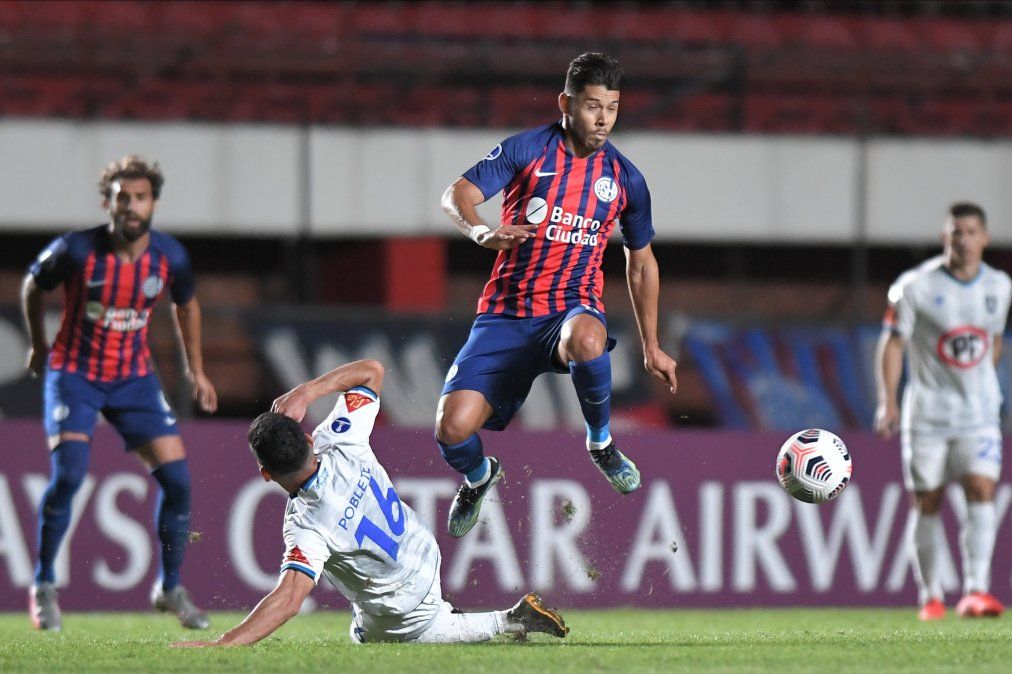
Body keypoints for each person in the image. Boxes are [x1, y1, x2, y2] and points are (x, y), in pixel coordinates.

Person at [436, 51, 678, 537]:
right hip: (505, 315)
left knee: (588, 339)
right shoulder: (527, 151)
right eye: (592, 106)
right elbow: (456, 195)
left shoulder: (626, 179)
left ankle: (601, 444)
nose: (603, 119)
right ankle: (480, 477)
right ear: (565, 103)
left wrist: (651, 345)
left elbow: (641, 262)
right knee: (452, 429)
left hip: (569, 309)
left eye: (612, 107)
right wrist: (482, 232)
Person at [173, 359, 568, 647]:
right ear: (308, 439)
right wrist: (306, 391)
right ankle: (462, 615)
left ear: (266, 474)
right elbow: (372, 371)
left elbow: (290, 599)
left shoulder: (306, 524)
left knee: (372, 637)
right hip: (423, 552)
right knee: (373, 616)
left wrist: (222, 645)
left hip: (404, 601)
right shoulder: (339, 437)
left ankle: (508, 621)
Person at [21, 155, 217, 631]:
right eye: (122, 198)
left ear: (153, 204)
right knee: (70, 476)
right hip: (74, 375)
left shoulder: (169, 256)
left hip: (133, 378)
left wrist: (196, 370)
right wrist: (39, 345)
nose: (131, 206)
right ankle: (43, 584)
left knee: (178, 481)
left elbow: (187, 306)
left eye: (140, 198)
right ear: (106, 203)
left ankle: (170, 587)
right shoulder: (76, 249)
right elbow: (32, 285)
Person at [874, 202, 1010, 621]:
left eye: (971, 232)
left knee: (982, 490)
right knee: (927, 501)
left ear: (984, 238)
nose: (963, 240)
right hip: (928, 415)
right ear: (943, 238)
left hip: (979, 414)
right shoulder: (913, 287)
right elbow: (893, 344)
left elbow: (993, 340)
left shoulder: (1000, 285)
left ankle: (976, 590)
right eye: (956, 233)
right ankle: (930, 595)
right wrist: (888, 401)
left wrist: (981, 385)